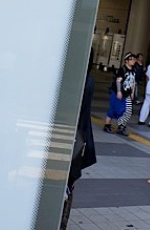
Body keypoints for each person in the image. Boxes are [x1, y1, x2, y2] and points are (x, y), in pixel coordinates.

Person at [61, 52, 97, 229]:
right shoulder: (88, 79)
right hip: (77, 143)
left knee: (63, 192)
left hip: (70, 143)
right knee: (67, 190)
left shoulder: (80, 82)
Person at [103, 52, 137, 136]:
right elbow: (118, 81)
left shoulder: (133, 70)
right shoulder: (123, 69)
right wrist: (118, 91)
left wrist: (132, 92)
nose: (133, 61)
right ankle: (107, 125)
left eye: (134, 59)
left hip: (127, 95)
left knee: (128, 111)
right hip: (118, 94)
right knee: (113, 110)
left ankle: (121, 126)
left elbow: (133, 82)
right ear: (126, 61)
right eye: (131, 59)